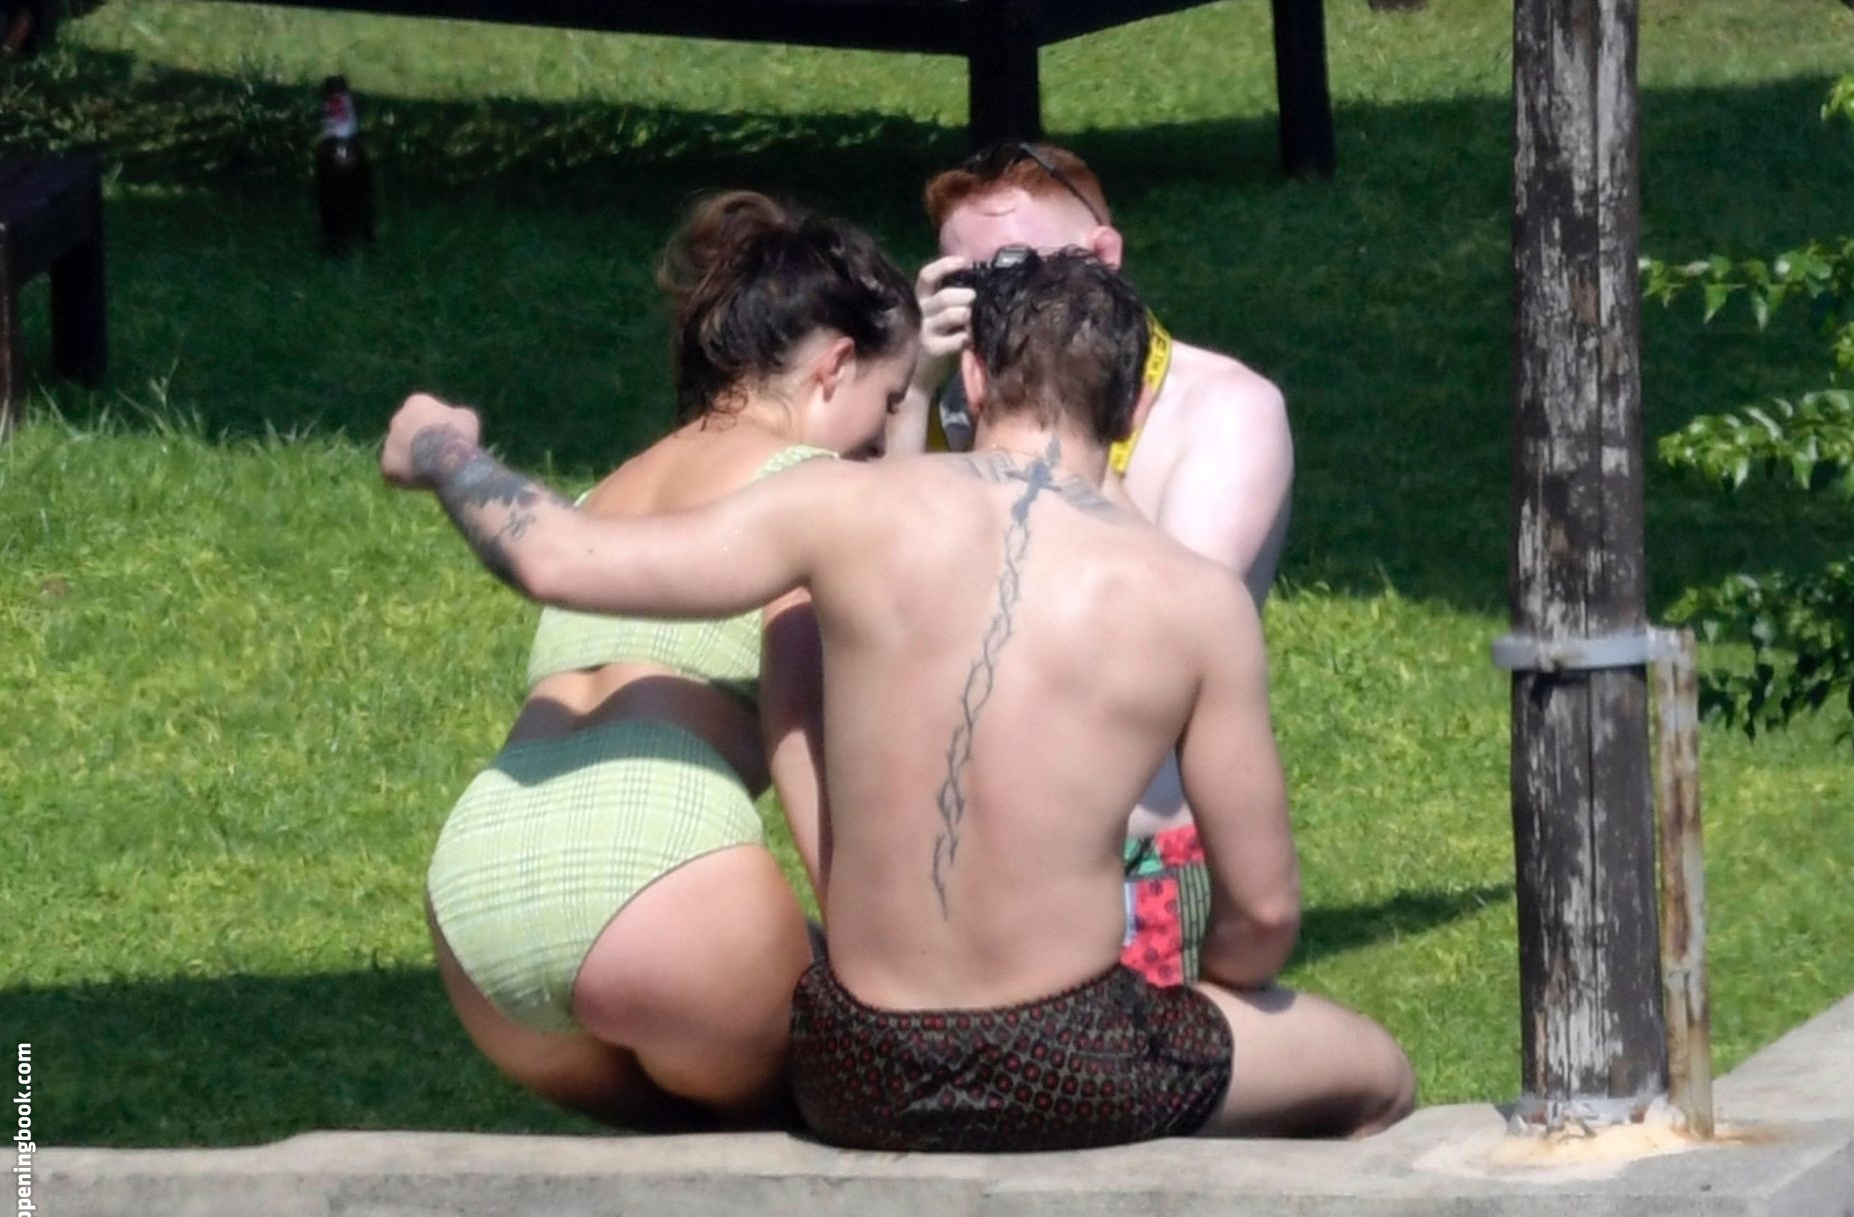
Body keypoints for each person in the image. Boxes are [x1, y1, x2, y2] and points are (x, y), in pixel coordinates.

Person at [382, 248, 1413, 1151]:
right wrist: (1208, 1000)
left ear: (974, 374)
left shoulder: (840, 506)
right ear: (1135, 409)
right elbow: (1264, 911)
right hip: (1073, 1058)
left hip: (859, 1066)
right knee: (1379, 1077)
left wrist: (442, 448)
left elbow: (556, 557)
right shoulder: (1195, 600)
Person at [418, 190, 919, 1128]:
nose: (886, 440)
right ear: (835, 366)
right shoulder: (815, 492)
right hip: (667, 882)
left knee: (676, 1159)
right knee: (881, 1095)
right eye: (889, 403)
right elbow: (804, 740)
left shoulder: (605, 493)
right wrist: (876, 970)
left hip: (479, 895)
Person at [887, 142, 1297, 988]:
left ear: (1104, 256)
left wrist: (1070, 414)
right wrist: (917, 390)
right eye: (975, 279)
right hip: (957, 858)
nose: (1007, 303)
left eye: (1027, 270)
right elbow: (881, 593)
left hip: (1128, 854)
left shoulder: (1227, 409)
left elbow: (1169, 625)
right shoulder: (949, 406)